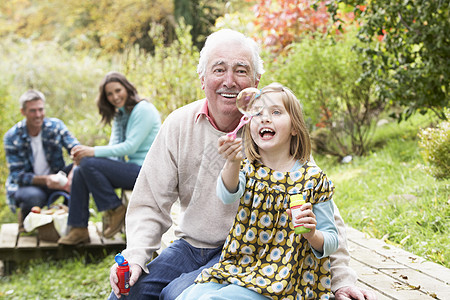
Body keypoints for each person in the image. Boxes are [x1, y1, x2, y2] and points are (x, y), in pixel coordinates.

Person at [109, 29, 377, 300]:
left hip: (252, 251)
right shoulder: (179, 124)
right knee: (127, 294)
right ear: (202, 79)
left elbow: (323, 208)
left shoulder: (271, 132)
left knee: (178, 296)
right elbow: (149, 203)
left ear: (256, 81)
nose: (229, 81)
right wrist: (135, 256)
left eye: (240, 71)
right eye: (219, 70)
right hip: (191, 246)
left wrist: (341, 279)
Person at [178, 82, 339, 299]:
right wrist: (232, 162)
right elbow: (227, 194)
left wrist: (312, 234)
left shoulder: (312, 179)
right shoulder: (247, 168)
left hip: (285, 281)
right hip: (240, 268)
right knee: (188, 296)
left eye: (276, 112)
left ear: (294, 127)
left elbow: (331, 240)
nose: (265, 118)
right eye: (258, 113)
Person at [57, 71, 161, 245]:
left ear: (127, 88)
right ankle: (78, 228)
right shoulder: (121, 114)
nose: (115, 97)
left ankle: (114, 207)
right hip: (133, 169)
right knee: (83, 168)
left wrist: (91, 152)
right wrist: (87, 160)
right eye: (109, 94)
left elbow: (130, 147)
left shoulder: (143, 109)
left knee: (88, 162)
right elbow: (114, 150)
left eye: (118, 90)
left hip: (149, 172)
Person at [4, 89, 78, 230]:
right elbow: (17, 176)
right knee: (34, 197)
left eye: (40, 110)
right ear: (23, 112)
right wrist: (46, 180)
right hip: (28, 186)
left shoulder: (55, 126)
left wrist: (74, 171)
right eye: (33, 111)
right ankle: (25, 221)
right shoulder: (12, 136)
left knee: (81, 172)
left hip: (57, 178)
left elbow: (77, 149)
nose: (38, 115)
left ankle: (73, 223)